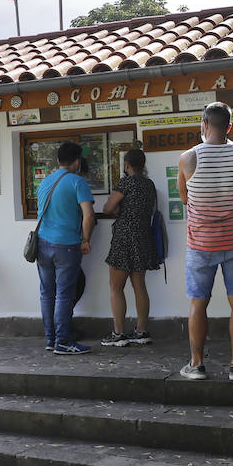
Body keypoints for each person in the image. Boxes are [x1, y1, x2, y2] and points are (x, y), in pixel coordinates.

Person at [177, 101, 233, 380]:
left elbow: (185, 198)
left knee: (198, 303)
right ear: (230, 127)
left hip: (200, 244)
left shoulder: (188, 158)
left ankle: (196, 365)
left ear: (204, 124)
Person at [35, 141, 95, 354]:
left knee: (47, 293)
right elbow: (88, 215)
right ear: (77, 161)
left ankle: (51, 339)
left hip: (42, 244)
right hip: (66, 245)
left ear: (58, 160)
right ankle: (63, 341)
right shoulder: (77, 182)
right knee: (63, 294)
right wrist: (86, 239)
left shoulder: (44, 183)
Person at [99, 148, 160, 346]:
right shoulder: (149, 184)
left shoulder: (125, 183)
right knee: (140, 286)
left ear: (126, 165)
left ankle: (118, 334)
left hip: (124, 238)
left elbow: (108, 208)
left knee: (116, 287)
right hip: (143, 236)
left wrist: (116, 206)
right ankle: (142, 331)